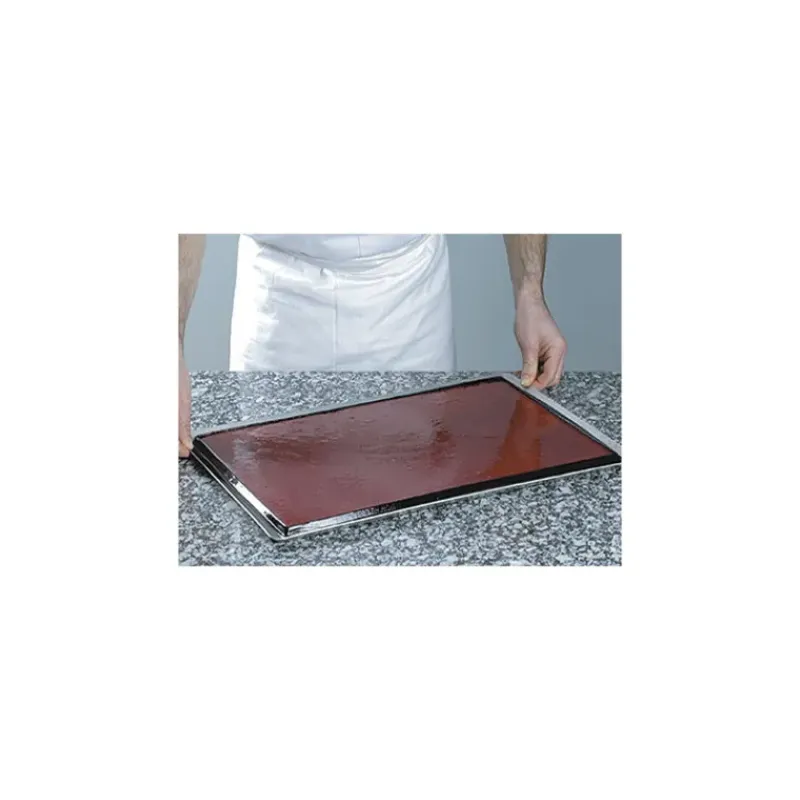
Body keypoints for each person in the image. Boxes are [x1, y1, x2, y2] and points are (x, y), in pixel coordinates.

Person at [179, 234, 566, 458]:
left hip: (409, 301)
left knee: (410, 494)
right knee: (275, 493)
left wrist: (530, 292)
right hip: (280, 307)